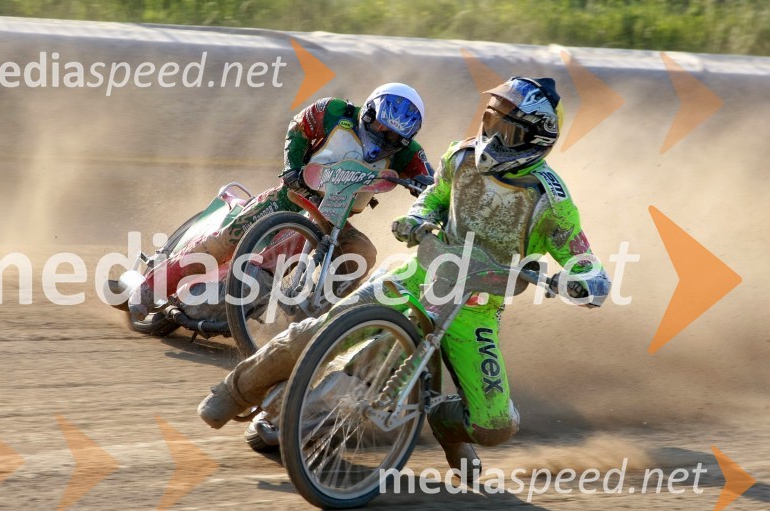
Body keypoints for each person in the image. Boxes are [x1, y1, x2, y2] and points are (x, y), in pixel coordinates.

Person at [197, 77, 612, 475]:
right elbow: (434, 197)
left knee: (496, 426)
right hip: (417, 275)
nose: (492, 134)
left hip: (477, 310)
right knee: (317, 332)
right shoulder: (462, 157)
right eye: (490, 120)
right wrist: (416, 217)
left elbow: (585, 260)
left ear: (534, 137)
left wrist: (583, 281)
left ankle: (442, 421)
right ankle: (236, 392)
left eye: (506, 128)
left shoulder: (551, 202)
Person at [129, 83, 433, 318]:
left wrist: (424, 185)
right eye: (380, 126)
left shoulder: (410, 153)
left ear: (405, 139)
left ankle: (317, 316)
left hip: (334, 219)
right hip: (292, 196)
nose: (383, 138)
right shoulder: (333, 111)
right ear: (368, 113)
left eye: (393, 137)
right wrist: (292, 168)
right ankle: (149, 288)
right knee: (226, 239)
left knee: (362, 252)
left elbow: (431, 179)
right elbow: (298, 128)